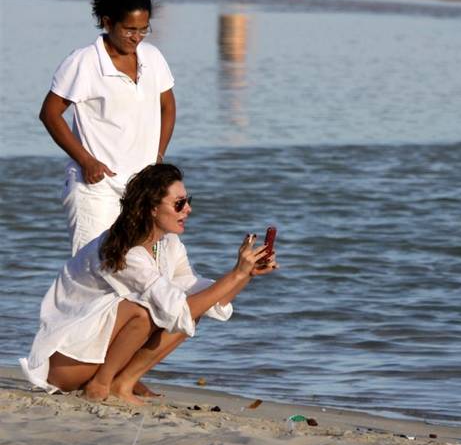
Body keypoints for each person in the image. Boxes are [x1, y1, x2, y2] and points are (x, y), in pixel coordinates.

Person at [19, 164, 277, 406]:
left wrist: (245, 275)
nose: (188, 209)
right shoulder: (127, 252)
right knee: (142, 311)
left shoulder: (168, 244)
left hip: (97, 349)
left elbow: (198, 296)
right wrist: (236, 273)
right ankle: (100, 384)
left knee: (192, 307)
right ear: (152, 208)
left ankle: (123, 382)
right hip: (69, 364)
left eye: (188, 201)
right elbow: (177, 308)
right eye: (179, 204)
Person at [39, 0, 176, 255]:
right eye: (129, 30)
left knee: (144, 272)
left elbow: (168, 108)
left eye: (143, 29)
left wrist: (157, 158)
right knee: (92, 272)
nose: (137, 37)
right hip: (96, 189)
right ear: (107, 22)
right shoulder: (84, 62)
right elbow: (50, 114)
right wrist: (86, 160)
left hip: (142, 189)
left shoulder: (153, 57)